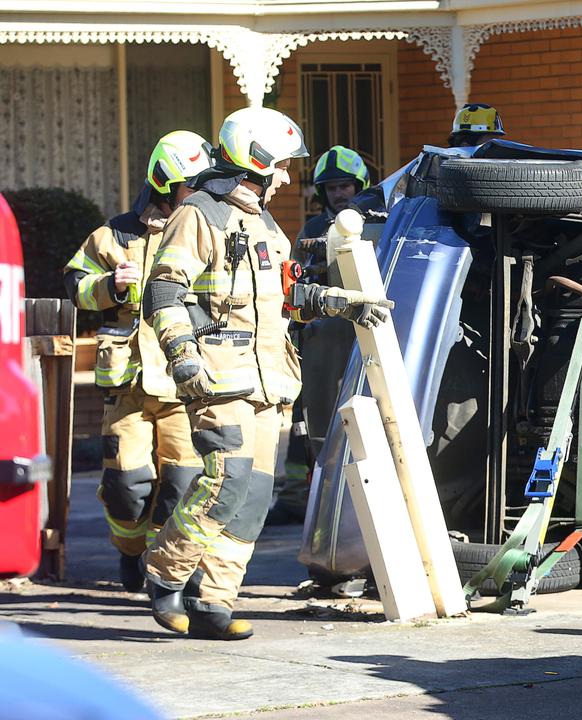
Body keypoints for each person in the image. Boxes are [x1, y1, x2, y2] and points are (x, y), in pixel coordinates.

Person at [140, 106, 393, 640]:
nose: (285, 177)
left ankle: (214, 601)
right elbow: (163, 290)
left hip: (269, 382)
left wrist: (340, 301)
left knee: (256, 494)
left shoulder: (263, 223)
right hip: (217, 376)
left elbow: (284, 299)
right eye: (280, 167)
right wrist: (182, 356)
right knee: (224, 482)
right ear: (255, 159)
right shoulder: (200, 214)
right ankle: (165, 572)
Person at [62, 131, 213, 592]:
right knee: (128, 488)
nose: (201, 194)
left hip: (183, 382)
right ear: (165, 184)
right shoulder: (115, 233)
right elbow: (74, 285)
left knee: (182, 485)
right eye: (192, 185)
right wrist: (109, 284)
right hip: (127, 385)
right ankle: (129, 550)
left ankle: (159, 566)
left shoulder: (207, 228)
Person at [266, 146, 372, 526]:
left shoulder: (379, 223)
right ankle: (298, 497)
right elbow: (294, 284)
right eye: (333, 188)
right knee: (307, 418)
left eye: (346, 186)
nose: (341, 194)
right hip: (323, 337)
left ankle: (352, 497)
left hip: (366, 333)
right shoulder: (312, 231)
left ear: (360, 186)